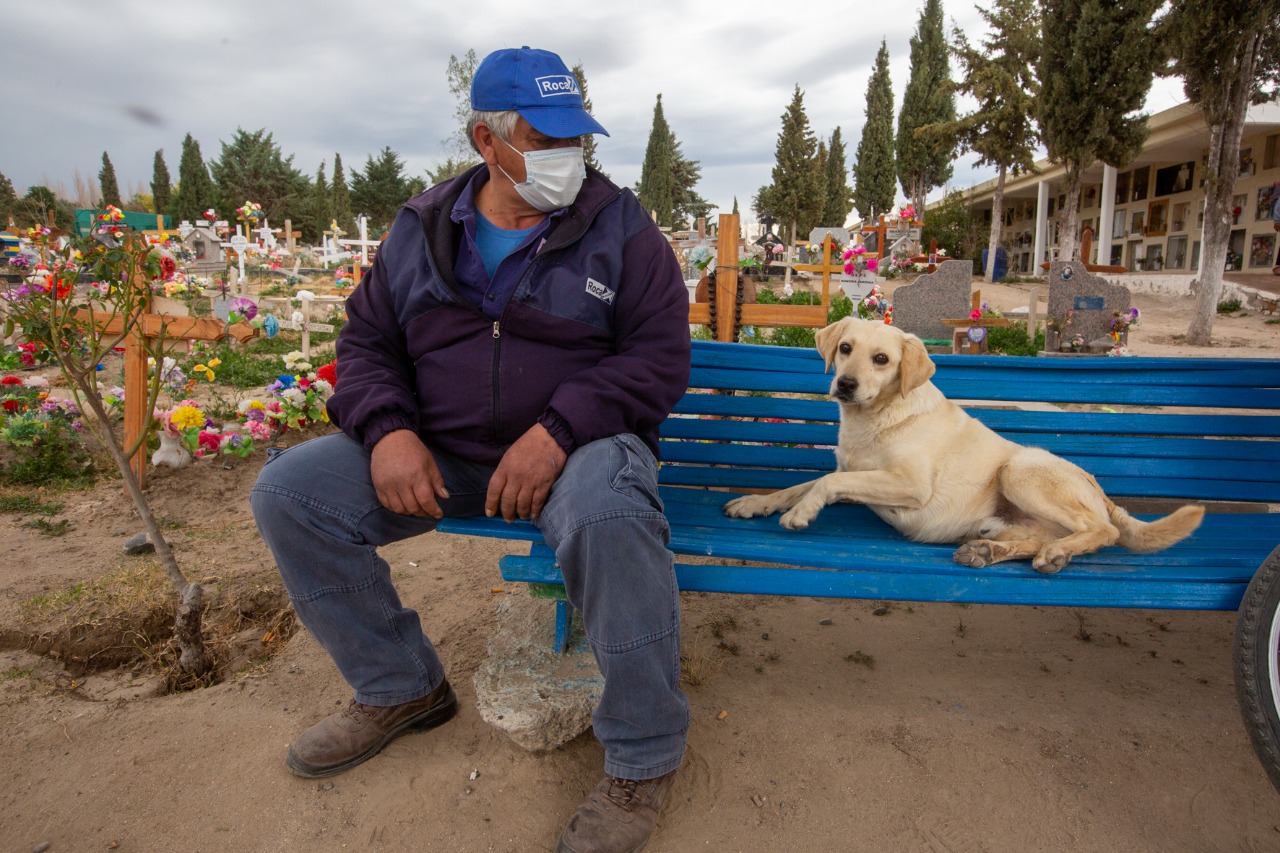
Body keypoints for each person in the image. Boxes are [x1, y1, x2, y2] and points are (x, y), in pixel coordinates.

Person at [250, 46, 692, 853]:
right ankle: (400, 687)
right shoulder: (420, 228)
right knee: (289, 492)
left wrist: (557, 431)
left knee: (607, 512)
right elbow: (367, 344)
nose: (566, 158)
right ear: (485, 141)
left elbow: (658, 357)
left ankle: (644, 754)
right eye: (543, 138)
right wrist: (387, 430)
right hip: (443, 451)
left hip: (578, 452)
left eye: (575, 139)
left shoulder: (621, 230)